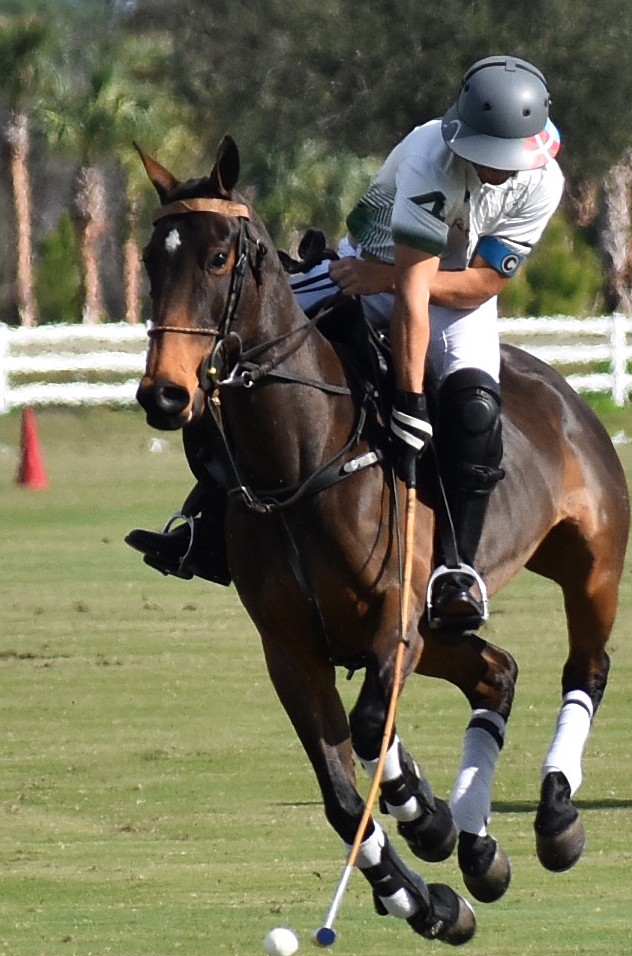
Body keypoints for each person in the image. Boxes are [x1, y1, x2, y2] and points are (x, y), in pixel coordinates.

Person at [127, 54, 563, 634]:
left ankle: (457, 571)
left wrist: (409, 386)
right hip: (366, 267)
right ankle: (206, 528)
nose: (495, 170)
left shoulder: (543, 180)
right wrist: (407, 400)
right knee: (241, 365)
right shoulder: (430, 157)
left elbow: (484, 281)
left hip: (446, 294)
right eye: (485, 155)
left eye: (505, 159)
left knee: (475, 410)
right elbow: (406, 299)